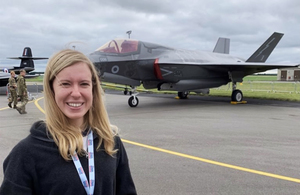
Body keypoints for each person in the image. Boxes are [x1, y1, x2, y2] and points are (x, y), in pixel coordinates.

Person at [0, 49, 137, 195]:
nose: (76, 93)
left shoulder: (111, 142)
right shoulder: (25, 154)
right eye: (65, 84)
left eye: (84, 84)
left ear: (93, 89)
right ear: (52, 89)